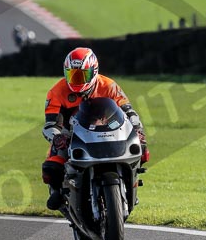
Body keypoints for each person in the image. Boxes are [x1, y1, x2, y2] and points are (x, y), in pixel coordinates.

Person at [41, 47, 149, 210]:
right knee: (52, 166)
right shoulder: (57, 91)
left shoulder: (109, 86)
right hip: (72, 134)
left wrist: (137, 129)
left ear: (94, 71)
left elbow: (129, 111)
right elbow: (50, 124)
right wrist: (57, 137)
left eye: (82, 75)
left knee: (141, 147)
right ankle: (59, 191)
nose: (77, 80)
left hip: (108, 130)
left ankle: (131, 183)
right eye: (72, 75)